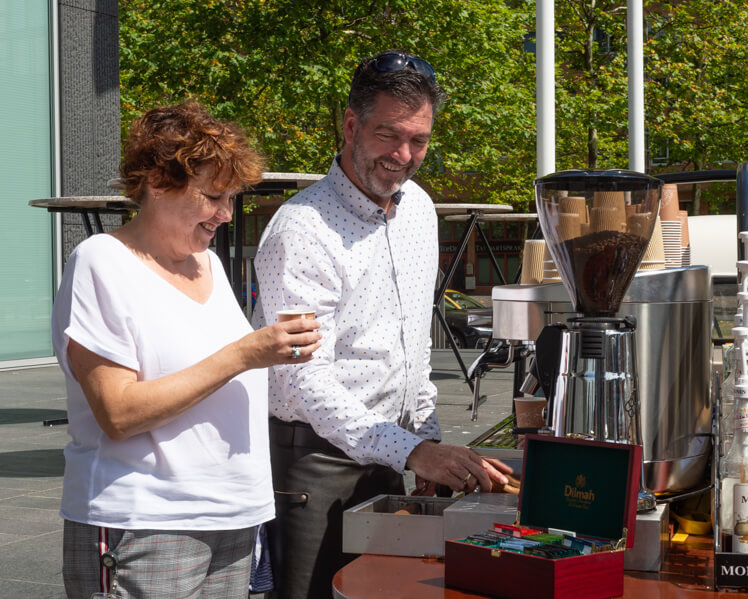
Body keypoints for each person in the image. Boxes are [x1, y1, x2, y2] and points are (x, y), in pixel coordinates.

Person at [254, 51, 511, 598]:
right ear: (350, 125)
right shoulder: (300, 230)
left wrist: (425, 439)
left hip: (390, 452)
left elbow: (414, 343)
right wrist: (413, 450)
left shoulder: (419, 208)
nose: (404, 155)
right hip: (316, 464)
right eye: (388, 135)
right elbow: (304, 381)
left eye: (418, 139)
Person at [52, 102, 322, 599]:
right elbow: (118, 412)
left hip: (233, 517)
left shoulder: (210, 266)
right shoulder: (101, 262)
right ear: (158, 182)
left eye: (232, 198)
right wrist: (244, 355)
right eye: (214, 196)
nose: (226, 213)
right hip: (147, 522)